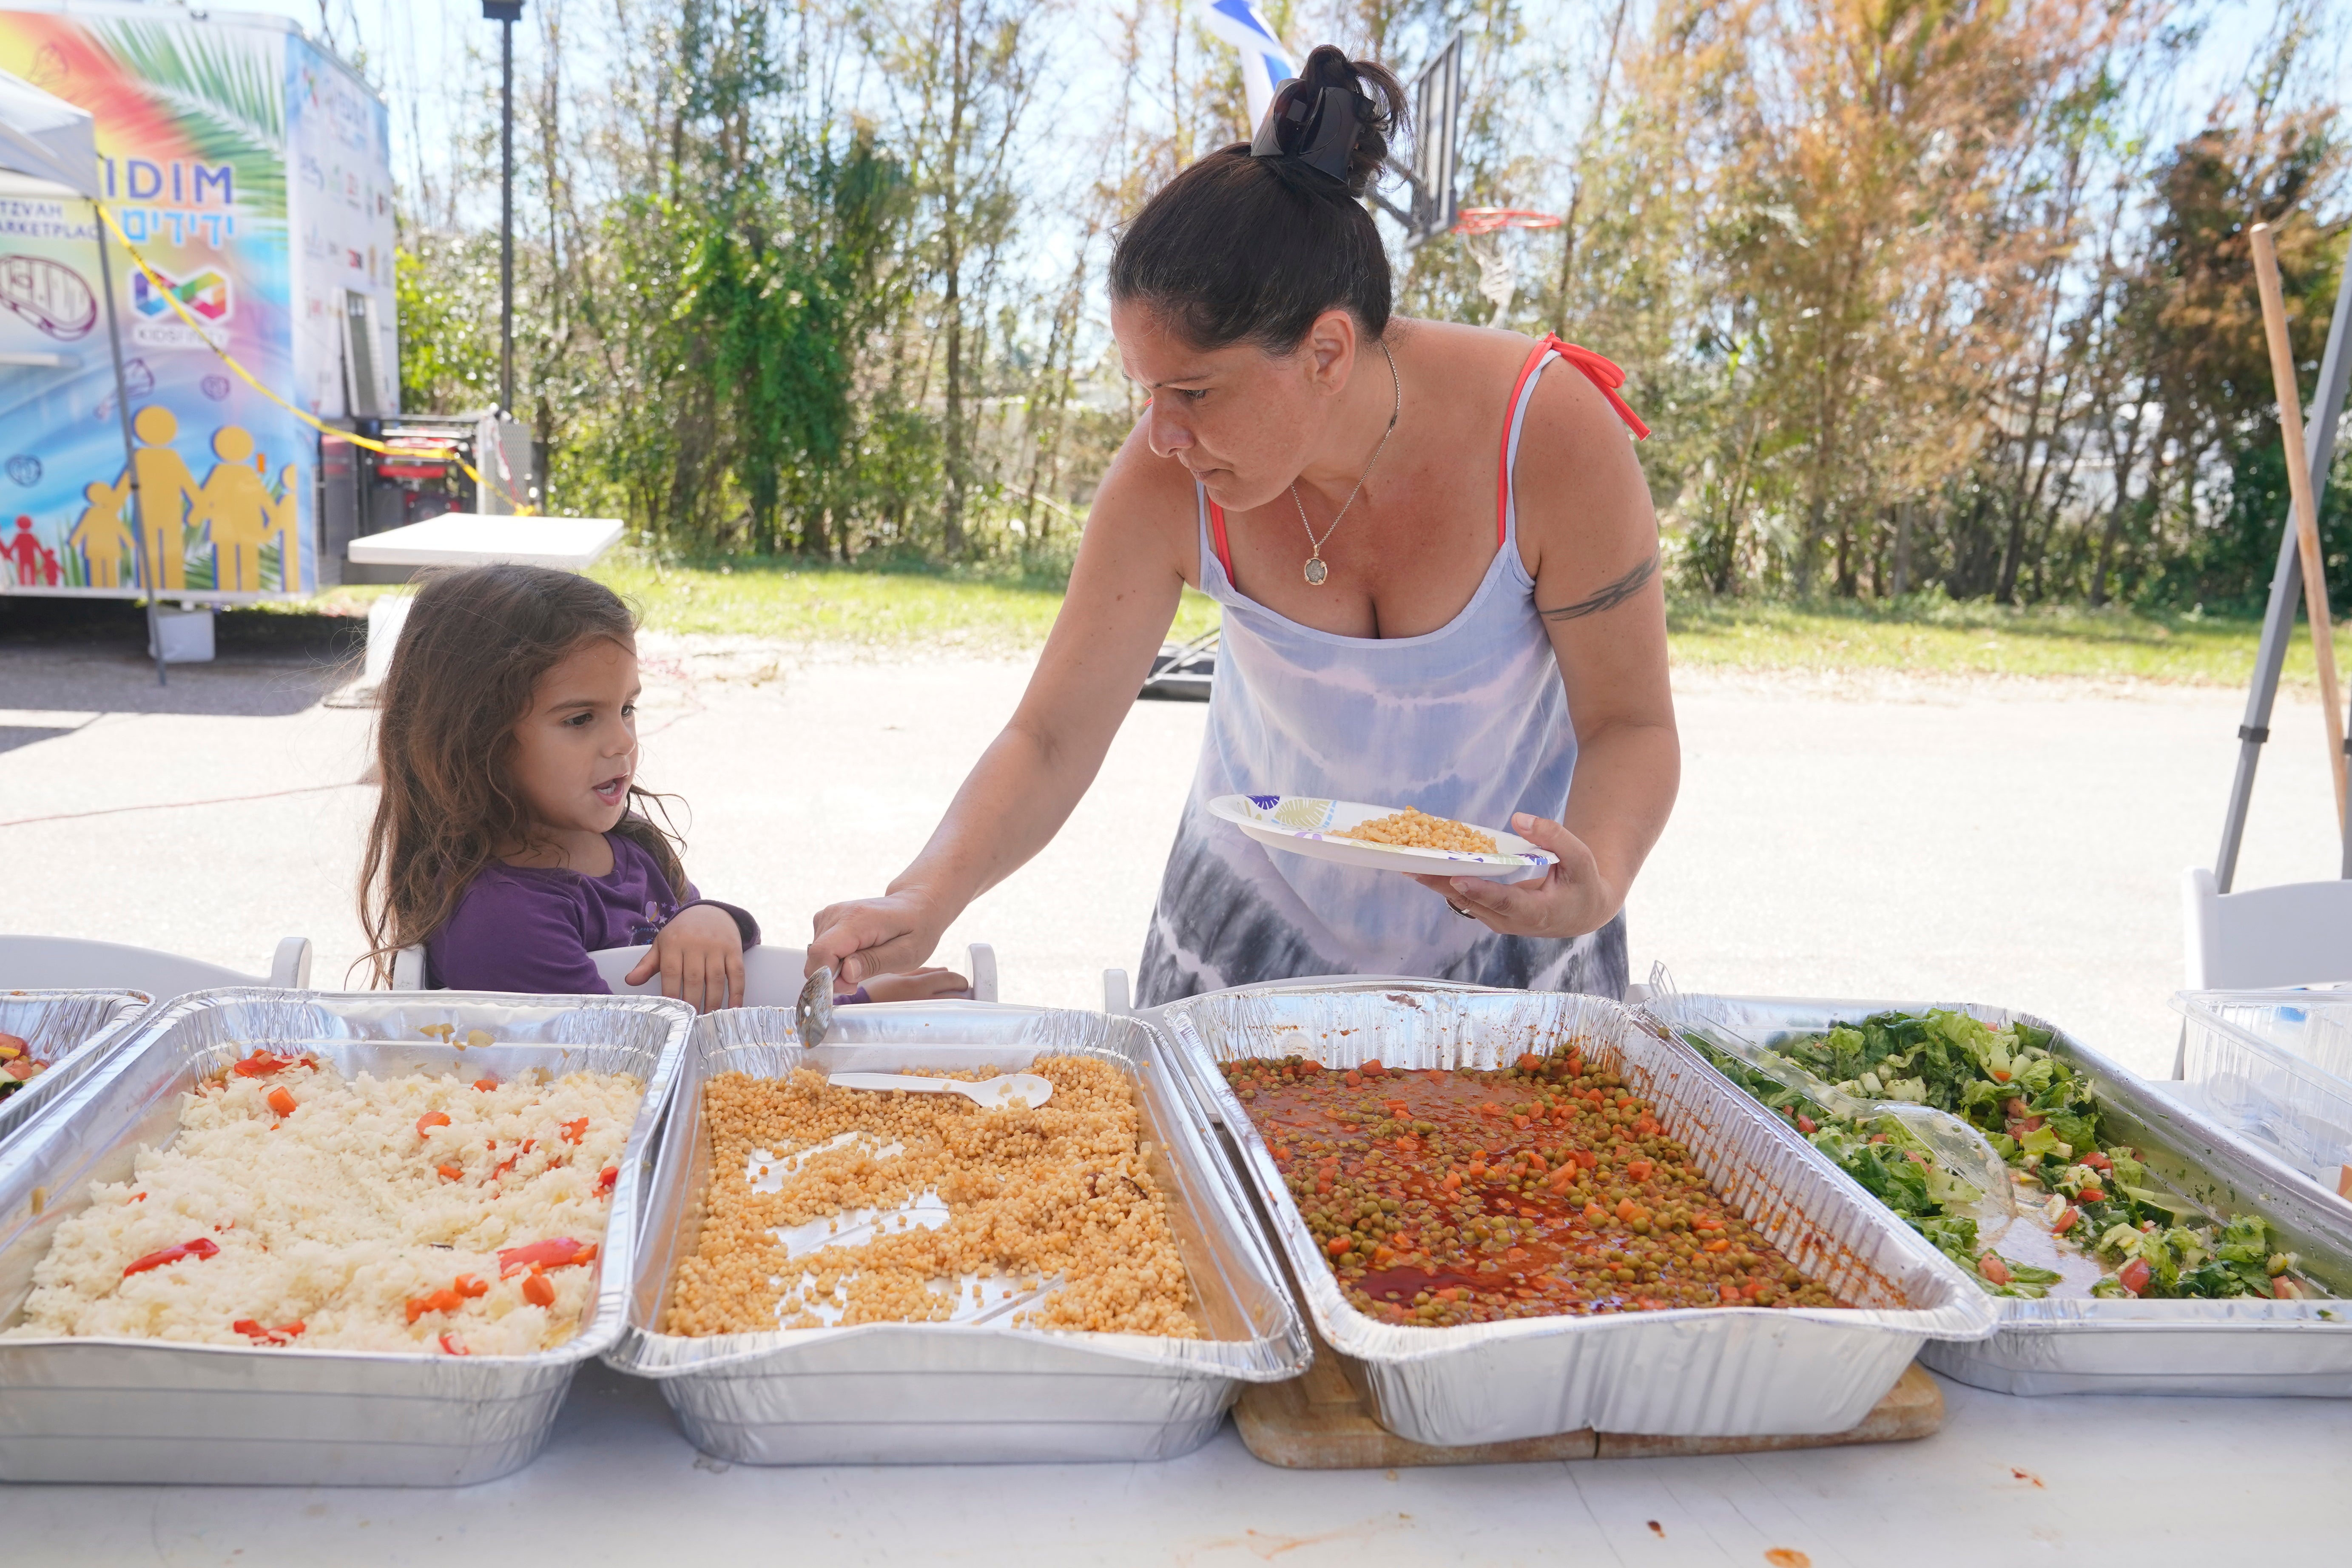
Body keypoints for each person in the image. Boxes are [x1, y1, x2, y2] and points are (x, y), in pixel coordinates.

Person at [810, 46, 1677, 1006]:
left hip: (1520, 962)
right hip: (1241, 951)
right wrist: (928, 894)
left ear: (1327, 351)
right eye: (1145, 391)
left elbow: (1629, 723)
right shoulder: (1163, 470)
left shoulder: (1549, 434)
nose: (1160, 434)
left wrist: (1592, 878)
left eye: (1192, 392)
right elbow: (1053, 734)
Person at [358, 563, 967, 1010]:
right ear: (474, 739)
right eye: (580, 719)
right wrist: (860, 1007)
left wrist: (711, 919)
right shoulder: (498, 917)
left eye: (627, 709)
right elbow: (629, 1059)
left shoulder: (632, 851)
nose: (621, 742)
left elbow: (709, 968)